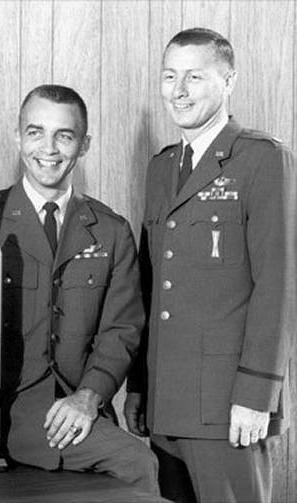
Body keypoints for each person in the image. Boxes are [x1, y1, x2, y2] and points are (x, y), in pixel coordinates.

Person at [124, 28, 295, 503]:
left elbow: (277, 285)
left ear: (228, 81)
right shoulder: (162, 168)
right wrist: (139, 386)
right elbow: (152, 285)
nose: (178, 90)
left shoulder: (262, 159)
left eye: (194, 77)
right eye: (169, 76)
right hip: (166, 400)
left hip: (228, 404)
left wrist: (257, 395)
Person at [0, 85, 159, 494]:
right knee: (137, 463)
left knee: (139, 466)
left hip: (81, 404)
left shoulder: (109, 230)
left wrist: (89, 396)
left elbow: (121, 329)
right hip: (3, 412)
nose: (49, 149)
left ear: (85, 144)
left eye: (65, 135)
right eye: (36, 132)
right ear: (17, 136)